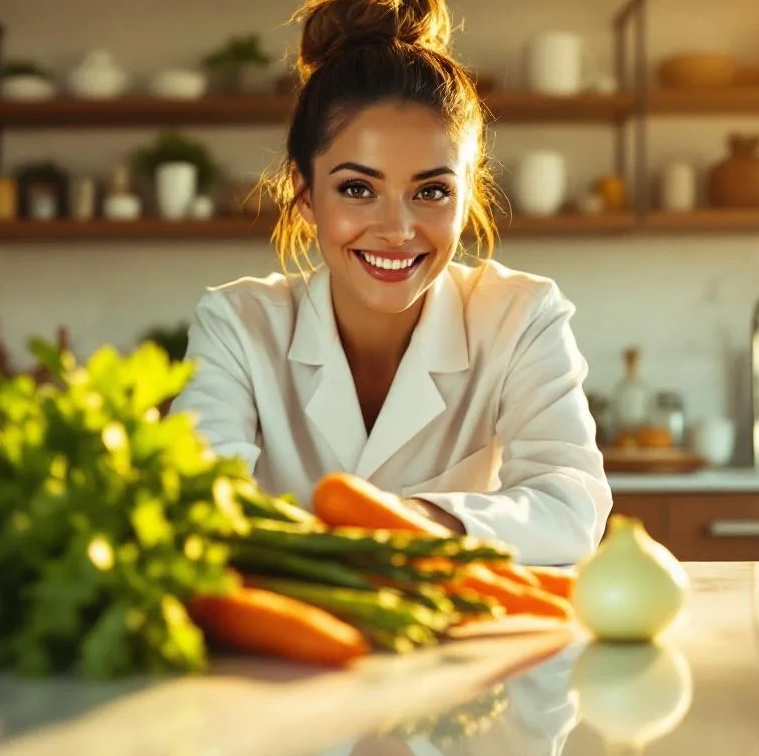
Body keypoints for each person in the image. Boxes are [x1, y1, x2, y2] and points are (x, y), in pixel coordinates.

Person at [170, 0, 612, 566]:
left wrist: (408, 522)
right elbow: (197, 505)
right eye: (358, 189)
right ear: (304, 195)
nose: (397, 231)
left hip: (461, 641)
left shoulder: (522, 316)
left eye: (430, 192)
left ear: (466, 198)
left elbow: (571, 506)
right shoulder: (236, 324)